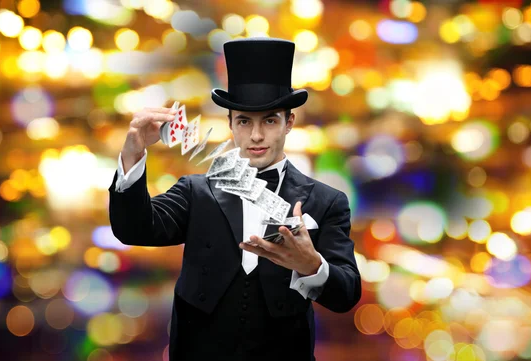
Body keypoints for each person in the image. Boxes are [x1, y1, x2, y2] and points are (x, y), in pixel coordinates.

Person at [108, 38, 361, 361]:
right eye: (244, 121)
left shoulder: (327, 201)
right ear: (230, 124)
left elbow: (347, 294)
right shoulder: (194, 192)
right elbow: (134, 229)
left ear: (289, 123)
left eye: (269, 120)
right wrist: (132, 156)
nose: (256, 135)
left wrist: (311, 265)